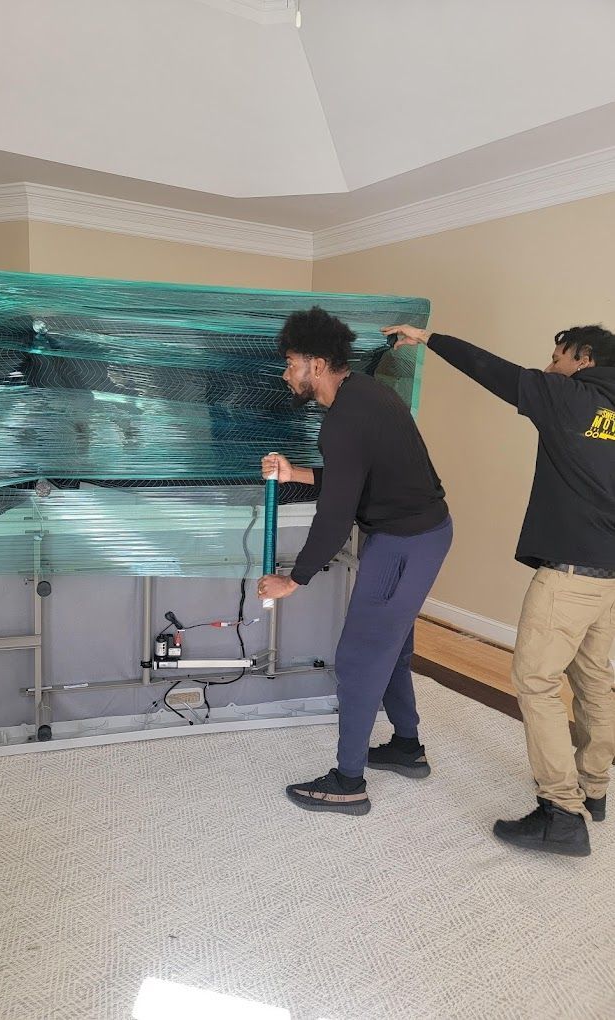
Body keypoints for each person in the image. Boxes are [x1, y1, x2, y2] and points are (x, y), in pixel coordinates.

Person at [384, 322, 615, 858]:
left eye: (557, 356)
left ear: (583, 358)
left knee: (534, 681)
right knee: (595, 682)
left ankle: (561, 813)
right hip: (610, 576)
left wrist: (431, 339)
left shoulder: (567, 397)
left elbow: (497, 374)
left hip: (570, 576)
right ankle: (594, 789)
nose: (550, 366)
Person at [258, 307, 452, 816]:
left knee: (359, 658)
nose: (286, 373)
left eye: (292, 363)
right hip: (419, 534)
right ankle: (407, 748)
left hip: (404, 543)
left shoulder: (343, 420)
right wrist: (295, 473)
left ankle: (348, 783)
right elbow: (354, 478)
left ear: (317, 365)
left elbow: (335, 515)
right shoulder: (365, 394)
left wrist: (293, 579)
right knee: (393, 648)